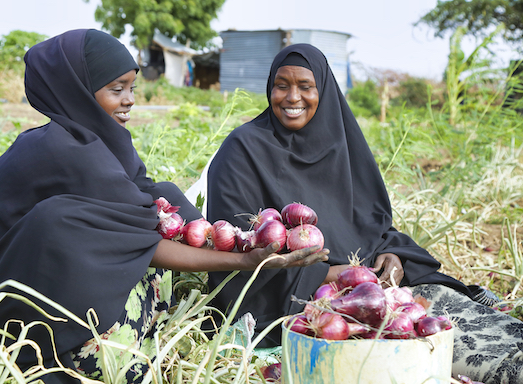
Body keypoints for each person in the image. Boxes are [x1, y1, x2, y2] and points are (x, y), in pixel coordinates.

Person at [0, 30, 329, 384]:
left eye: (131, 87)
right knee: (62, 222)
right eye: (117, 89)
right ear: (77, 91)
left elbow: (147, 203)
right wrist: (245, 261)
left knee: (163, 195)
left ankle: (177, 302)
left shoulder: (92, 137)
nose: (130, 99)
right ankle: (76, 347)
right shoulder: (66, 150)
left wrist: (233, 238)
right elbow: (141, 237)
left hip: (37, 268)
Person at [205, 43, 523, 384]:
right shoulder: (242, 152)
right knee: (472, 360)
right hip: (311, 305)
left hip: (381, 287)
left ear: (323, 90)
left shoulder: (340, 146)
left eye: (305, 86)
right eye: (281, 85)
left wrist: (392, 257)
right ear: (270, 87)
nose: (291, 97)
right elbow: (241, 254)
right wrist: (336, 276)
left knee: (484, 332)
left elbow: (372, 226)